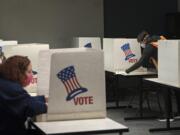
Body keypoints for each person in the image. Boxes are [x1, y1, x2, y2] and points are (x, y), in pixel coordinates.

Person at [0, 55, 47, 135]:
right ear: (18, 72)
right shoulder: (12, 88)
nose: (32, 75)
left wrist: (44, 98)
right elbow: (31, 107)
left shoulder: (4, 83)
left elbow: (23, 100)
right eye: (29, 72)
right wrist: (52, 107)